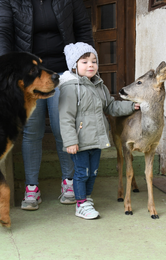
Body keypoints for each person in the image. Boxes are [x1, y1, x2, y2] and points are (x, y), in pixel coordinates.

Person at [0, 0, 95, 210]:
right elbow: (3, 34)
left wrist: (86, 65)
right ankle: (31, 186)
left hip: (64, 72)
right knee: (32, 131)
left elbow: (83, 30)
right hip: (31, 77)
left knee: (63, 128)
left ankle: (69, 182)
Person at [59, 42, 139, 219]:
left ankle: (85, 199)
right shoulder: (70, 87)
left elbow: (111, 106)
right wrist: (70, 141)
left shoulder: (99, 86)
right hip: (79, 141)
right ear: (74, 66)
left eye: (94, 61)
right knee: (82, 172)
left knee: (93, 171)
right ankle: (80, 204)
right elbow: (65, 117)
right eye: (84, 62)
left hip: (96, 138)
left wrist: (132, 107)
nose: (90, 65)